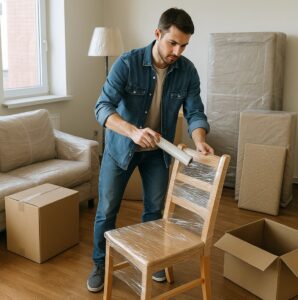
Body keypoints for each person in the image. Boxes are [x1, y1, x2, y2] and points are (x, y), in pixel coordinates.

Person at [87, 7, 214, 293]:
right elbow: (102, 108)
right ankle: (99, 265)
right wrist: (133, 131)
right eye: (173, 42)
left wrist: (199, 139)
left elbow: (195, 112)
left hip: (159, 151)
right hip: (121, 149)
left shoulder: (187, 70)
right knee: (107, 210)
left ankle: (152, 261)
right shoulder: (127, 63)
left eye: (184, 45)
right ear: (158, 34)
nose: (178, 51)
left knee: (154, 210)